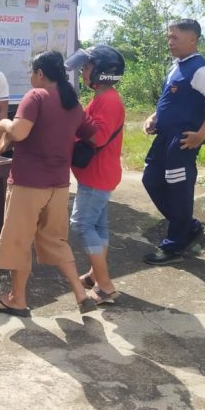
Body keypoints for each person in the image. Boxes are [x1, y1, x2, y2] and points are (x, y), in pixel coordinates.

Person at [0, 50, 98, 317]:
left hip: (28, 183)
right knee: (56, 240)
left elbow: (20, 132)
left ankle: (17, 299)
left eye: (31, 72)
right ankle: (81, 293)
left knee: (19, 241)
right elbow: (90, 133)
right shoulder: (72, 101)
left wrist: (3, 123)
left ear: (39, 73)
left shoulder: (35, 96)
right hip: (59, 184)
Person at [142, 19, 205, 265]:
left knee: (178, 189)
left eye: (175, 38)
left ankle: (174, 245)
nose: (170, 42)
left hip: (182, 141)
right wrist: (154, 117)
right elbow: (168, 101)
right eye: (169, 37)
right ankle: (187, 226)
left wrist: (201, 134)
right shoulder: (176, 66)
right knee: (151, 179)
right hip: (164, 138)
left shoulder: (200, 69)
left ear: (192, 39)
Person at [65, 46, 126, 305]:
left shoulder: (108, 100)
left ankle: (106, 286)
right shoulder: (103, 97)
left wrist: (76, 116)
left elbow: (98, 136)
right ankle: (94, 275)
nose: (83, 72)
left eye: (87, 68)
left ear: (102, 72)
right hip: (99, 172)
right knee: (98, 226)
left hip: (97, 174)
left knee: (81, 225)